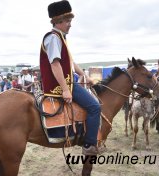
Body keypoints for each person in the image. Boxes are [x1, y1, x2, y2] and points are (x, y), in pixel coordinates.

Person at [39, 0, 102, 155]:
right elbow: (55, 65)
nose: (70, 24)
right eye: (67, 21)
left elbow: (71, 62)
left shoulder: (60, 37)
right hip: (61, 85)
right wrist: (66, 90)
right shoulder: (54, 38)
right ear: (58, 21)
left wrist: (83, 74)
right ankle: (89, 145)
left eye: (70, 21)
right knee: (95, 107)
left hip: (69, 82)